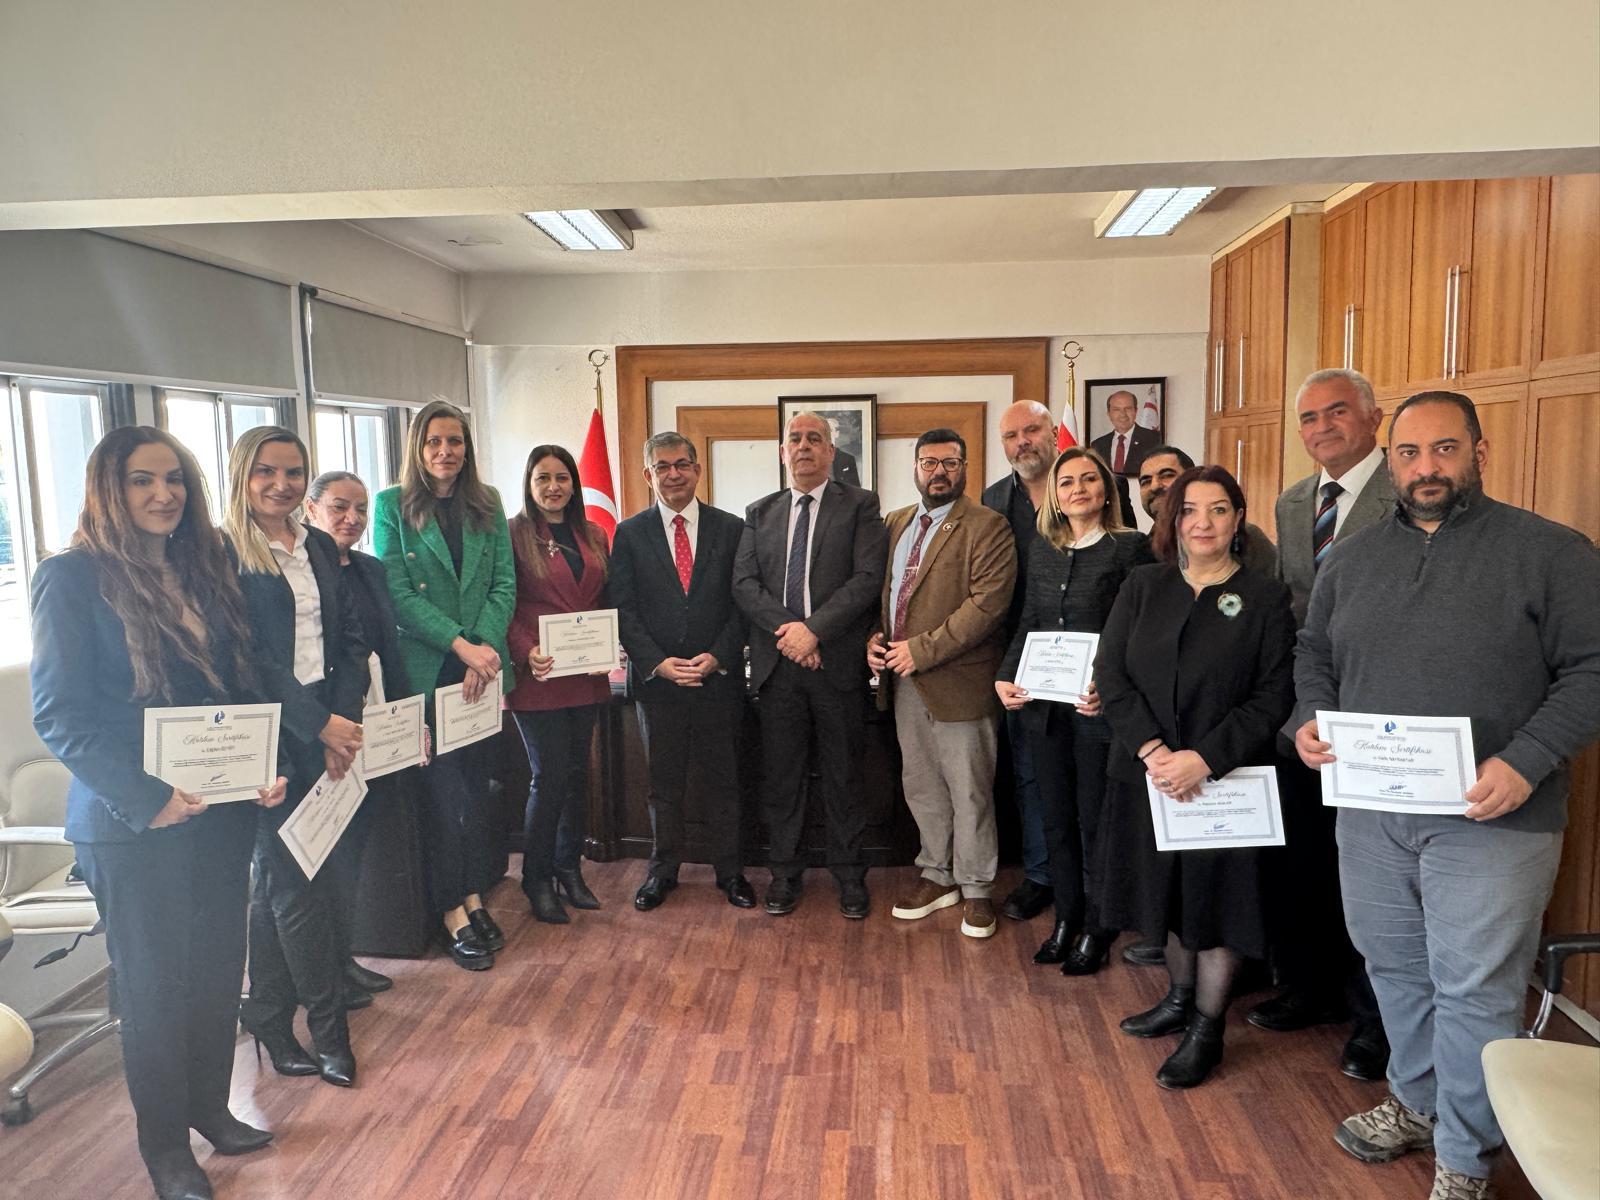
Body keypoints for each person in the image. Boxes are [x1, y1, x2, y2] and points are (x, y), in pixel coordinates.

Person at [1292, 391, 1600, 1200]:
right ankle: (1420, 1104)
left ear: (1479, 452)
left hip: (1494, 817)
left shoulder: (1552, 552)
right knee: (1395, 969)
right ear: (1390, 461)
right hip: (1373, 813)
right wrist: (1309, 719)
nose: (1425, 467)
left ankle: (1465, 1158)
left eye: (1444, 449)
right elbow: (1313, 652)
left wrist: (1527, 760)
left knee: (1475, 989)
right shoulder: (1350, 559)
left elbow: (1593, 669)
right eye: (1409, 452)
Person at [30, 426, 287, 1200]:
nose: (162, 494)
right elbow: (61, 716)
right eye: (142, 480)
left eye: (173, 479)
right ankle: (166, 1147)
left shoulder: (205, 567)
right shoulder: (70, 578)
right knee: (154, 989)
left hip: (219, 814)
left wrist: (262, 766)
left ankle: (211, 1107)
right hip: (133, 826)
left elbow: (238, 686)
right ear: (110, 489)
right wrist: (149, 799)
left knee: (216, 973)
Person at [1095, 465, 1295, 1090]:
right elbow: (1111, 674)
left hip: (1227, 779)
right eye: (1188, 510)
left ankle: (1208, 1027)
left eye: (1217, 509)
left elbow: (1272, 696)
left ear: (1238, 519)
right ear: (1172, 520)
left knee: (1219, 901)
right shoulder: (1142, 586)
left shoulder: (1265, 598)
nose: (1202, 522)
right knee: (1168, 892)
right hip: (1149, 776)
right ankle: (1179, 997)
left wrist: (1202, 760)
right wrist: (1154, 750)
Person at [1249, 368, 1395, 1082]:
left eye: (1337, 412)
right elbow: (1292, 608)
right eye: (1308, 418)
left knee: (1372, 875)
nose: (1321, 427)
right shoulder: (1293, 501)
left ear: (1373, 417)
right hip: (1304, 712)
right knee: (1305, 860)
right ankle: (1310, 987)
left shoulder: (1407, 491)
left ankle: (1375, 1020)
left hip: (1382, 714)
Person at [227, 427, 369, 1089]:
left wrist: (343, 722)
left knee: (289, 882)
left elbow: (349, 639)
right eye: (266, 471)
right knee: (294, 888)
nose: (280, 485)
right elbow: (248, 659)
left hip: (328, 720)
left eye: (292, 472)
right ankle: (330, 1031)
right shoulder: (224, 553)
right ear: (242, 474)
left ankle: (267, 1013)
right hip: (271, 736)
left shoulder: (315, 545)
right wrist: (317, 727)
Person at [996, 447, 1155, 972]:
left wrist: (1110, 686)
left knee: (1094, 821)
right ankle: (1066, 917)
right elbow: (1030, 620)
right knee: (1056, 819)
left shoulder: (1129, 548)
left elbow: (1139, 633)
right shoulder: (1042, 547)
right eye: (1067, 482)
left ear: (1106, 490)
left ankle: (1099, 924)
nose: (1078, 489)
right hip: (1044, 708)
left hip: (1097, 712)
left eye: (1089, 479)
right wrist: (1006, 675)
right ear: (1055, 496)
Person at [373, 399, 515, 970]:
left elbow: (503, 583)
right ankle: (453, 910)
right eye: (433, 441)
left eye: (454, 441)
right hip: (429, 671)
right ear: (417, 447)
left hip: (481, 673)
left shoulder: (488, 502)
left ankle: (475, 894)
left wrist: (483, 648)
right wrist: (461, 644)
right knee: (440, 797)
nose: (445, 451)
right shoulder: (390, 504)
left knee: (476, 794)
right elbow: (397, 593)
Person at [733, 410, 888, 919]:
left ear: (830, 452)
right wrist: (793, 634)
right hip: (779, 670)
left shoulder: (861, 505)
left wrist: (814, 630)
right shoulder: (759, 512)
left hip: (836, 666)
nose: (804, 446)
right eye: (795, 438)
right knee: (783, 778)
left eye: (814, 438)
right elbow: (744, 585)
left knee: (845, 777)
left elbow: (866, 579)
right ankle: (784, 874)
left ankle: (850, 876)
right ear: (783, 451)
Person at [870, 429, 1015, 939]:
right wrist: (875, 637)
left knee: (969, 790)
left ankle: (977, 888)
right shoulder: (895, 523)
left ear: (965, 468)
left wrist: (921, 649)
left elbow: (987, 606)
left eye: (950, 463)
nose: (939, 472)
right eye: (929, 462)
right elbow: (887, 595)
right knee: (923, 785)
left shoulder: (988, 525)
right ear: (914, 468)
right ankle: (937, 874)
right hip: (904, 681)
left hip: (960, 681)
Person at [610, 433, 752, 911]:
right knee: (663, 786)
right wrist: (657, 663)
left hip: (718, 681)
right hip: (660, 686)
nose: (673, 474)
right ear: (648, 475)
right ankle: (662, 871)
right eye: (662, 467)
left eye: (682, 465)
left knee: (724, 783)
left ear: (697, 470)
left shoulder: (732, 529)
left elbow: (743, 604)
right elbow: (623, 609)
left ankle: (731, 873)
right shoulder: (629, 533)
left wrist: (719, 655)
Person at [304, 470, 410, 1004]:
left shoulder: (371, 569)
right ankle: (321, 973)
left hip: (375, 722)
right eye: (339, 507)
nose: (352, 518)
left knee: (354, 847)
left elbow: (389, 650)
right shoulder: (302, 571)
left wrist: (411, 722)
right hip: (321, 728)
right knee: (322, 856)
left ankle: (344, 960)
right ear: (311, 510)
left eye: (361, 509)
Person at [505, 444, 611, 924]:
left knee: (576, 775)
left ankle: (570, 869)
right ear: (529, 485)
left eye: (562, 477)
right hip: (539, 673)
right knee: (548, 778)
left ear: (574, 483)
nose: (553, 487)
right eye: (543, 478)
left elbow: (602, 599)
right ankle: (537, 878)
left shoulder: (593, 533)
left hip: (585, 674)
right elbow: (503, 601)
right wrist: (525, 649)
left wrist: (607, 646)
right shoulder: (512, 534)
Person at [981, 399, 1056, 922]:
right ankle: (1040, 875)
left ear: (1052, 433)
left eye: (1031, 430)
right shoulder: (993, 499)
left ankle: (1088, 878)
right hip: (1019, 655)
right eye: (1011, 435)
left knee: (1083, 772)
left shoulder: (1086, 484)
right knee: (1028, 772)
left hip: (1083, 652)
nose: (1022, 441)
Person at [1138, 446, 1277, 579]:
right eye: (1146, 481)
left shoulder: (1244, 537)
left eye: (1167, 475)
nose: (1154, 486)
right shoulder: (1139, 548)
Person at [1089, 390, 1159, 526]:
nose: (1122, 414)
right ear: (1109, 414)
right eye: (1116, 409)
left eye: (1127, 409)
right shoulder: (1097, 444)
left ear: (1136, 411)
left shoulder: (1153, 439)